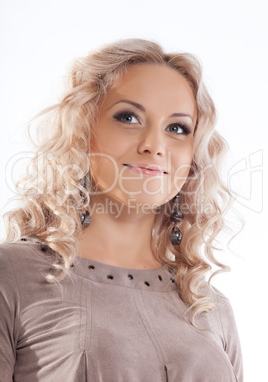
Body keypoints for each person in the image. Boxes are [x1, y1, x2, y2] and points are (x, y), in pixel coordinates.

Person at [0, 38, 243, 381]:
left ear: (193, 155)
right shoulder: (10, 277)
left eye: (177, 128)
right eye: (129, 117)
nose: (154, 145)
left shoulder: (210, 308)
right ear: (82, 131)